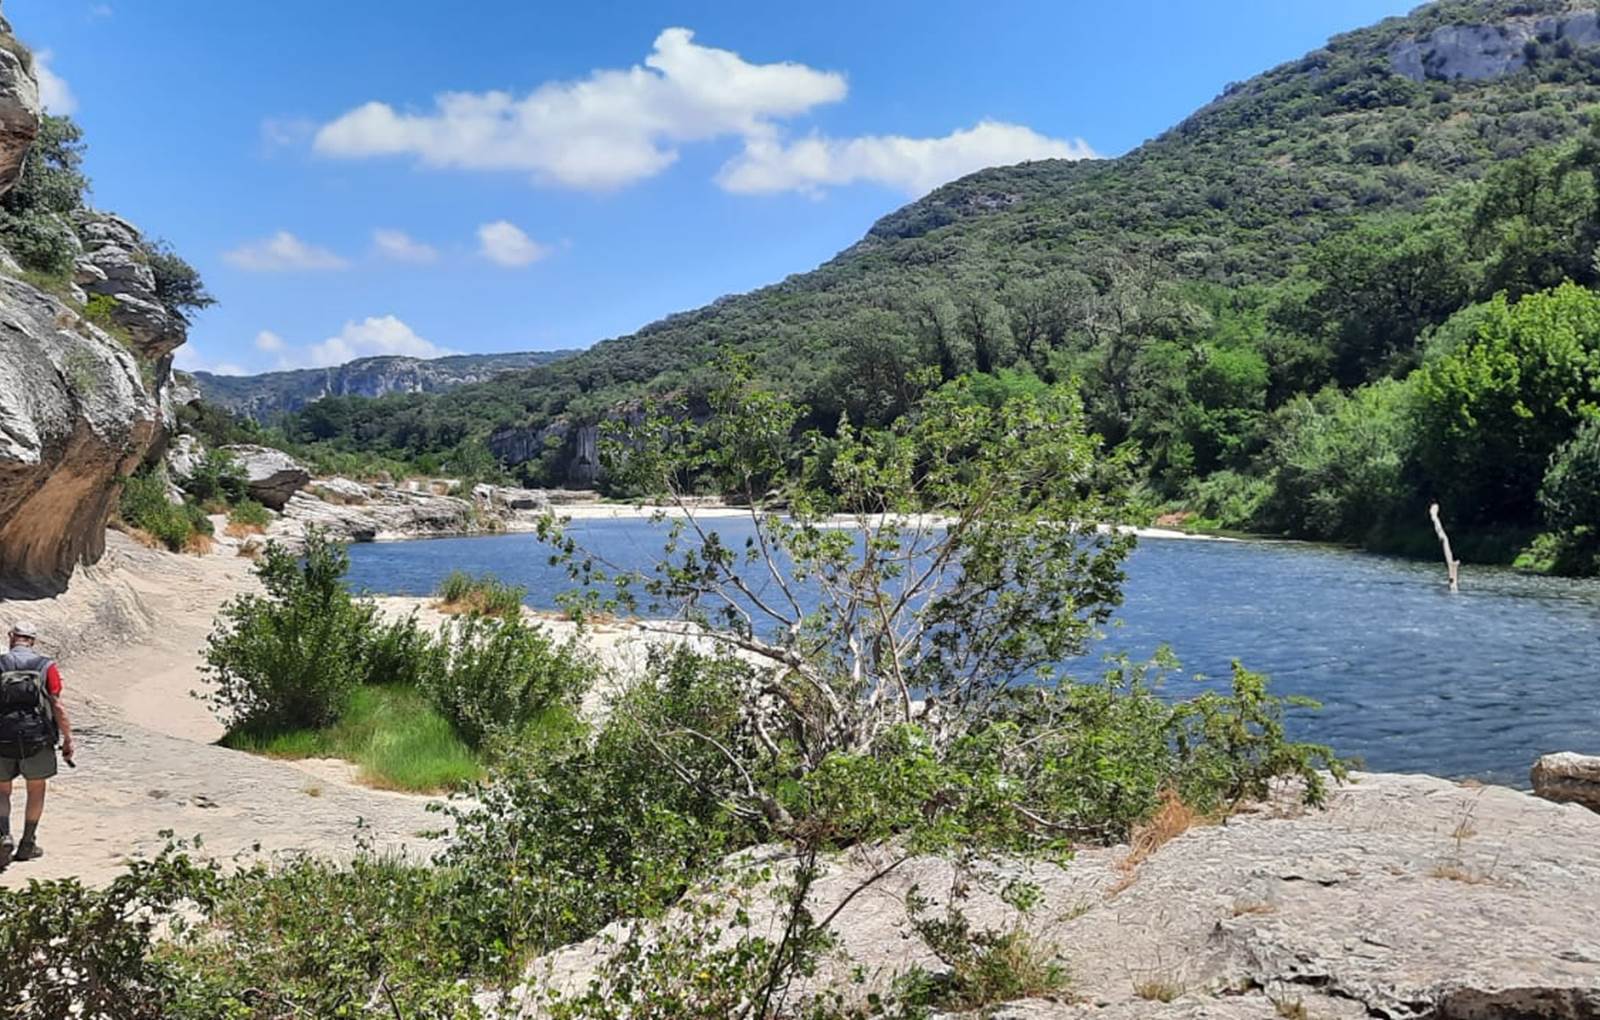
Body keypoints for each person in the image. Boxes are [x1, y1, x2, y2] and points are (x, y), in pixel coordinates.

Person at [0, 621, 74, 869]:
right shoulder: (46, 666)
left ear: (12, 637)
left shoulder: (0, 663)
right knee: (36, 788)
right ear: (33, 640)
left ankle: (3, 836)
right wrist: (68, 739)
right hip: (37, 737)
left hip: (3, 737)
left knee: (1, 790)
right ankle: (28, 842)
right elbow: (57, 705)